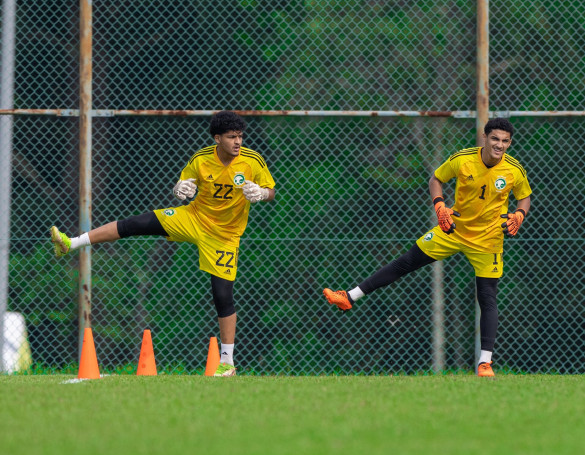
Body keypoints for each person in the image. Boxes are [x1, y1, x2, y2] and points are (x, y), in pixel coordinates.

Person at [50, 111, 276, 377]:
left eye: (240, 136)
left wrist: (262, 193)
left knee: (223, 295)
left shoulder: (251, 161)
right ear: (217, 138)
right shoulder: (202, 159)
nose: (237, 142)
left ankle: (227, 362)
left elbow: (271, 190)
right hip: (193, 218)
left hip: (224, 236)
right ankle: (70, 242)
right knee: (136, 224)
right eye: (231, 137)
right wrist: (179, 190)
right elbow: (184, 185)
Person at [323, 117, 532, 377]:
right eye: (495, 139)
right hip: (453, 229)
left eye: (504, 141)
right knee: (404, 263)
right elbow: (436, 178)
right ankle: (349, 296)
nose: (499, 145)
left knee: (487, 297)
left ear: (509, 143)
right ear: (485, 138)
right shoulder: (463, 159)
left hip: (488, 239)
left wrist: (520, 215)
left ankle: (484, 363)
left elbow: (524, 197)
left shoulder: (514, 170)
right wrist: (439, 205)